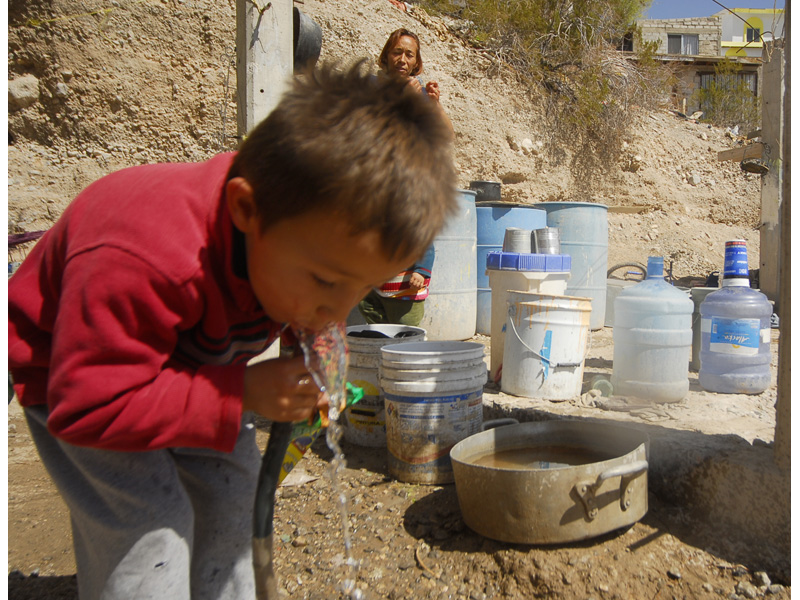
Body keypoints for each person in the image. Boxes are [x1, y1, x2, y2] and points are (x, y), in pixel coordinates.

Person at [8, 60, 457, 600]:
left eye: (361, 288)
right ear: (246, 208)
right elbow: (87, 404)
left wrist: (319, 358)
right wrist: (240, 393)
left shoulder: (299, 238)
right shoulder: (147, 256)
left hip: (193, 365)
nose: (337, 309)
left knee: (233, 491)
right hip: (83, 379)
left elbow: (324, 302)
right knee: (151, 523)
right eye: (326, 281)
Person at [378, 27, 454, 136]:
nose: (402, 60)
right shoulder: (369, 84)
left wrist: (435, 104)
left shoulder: (421, 93)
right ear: (386, 56)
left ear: (416, 62)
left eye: (409, 55)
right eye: (397, 53)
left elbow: (448, 136)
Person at [357, 244, 434, 326]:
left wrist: (421, 272)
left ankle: (405, 334)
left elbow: (425, 245)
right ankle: (383, 333)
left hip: (405, 292)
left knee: (406, 326)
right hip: (374, 287)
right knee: (368, 310)